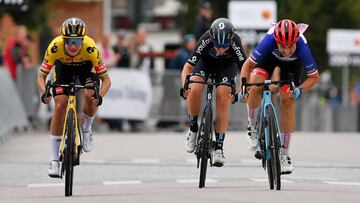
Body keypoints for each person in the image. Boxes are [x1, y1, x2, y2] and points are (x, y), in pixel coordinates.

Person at [239, 19, 320, 174]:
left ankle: (284, 155)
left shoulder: (302, 46)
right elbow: (247, 66)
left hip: (291, 67)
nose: (287, 50)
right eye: (283, 46)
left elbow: (315, 77)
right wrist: (244, 86)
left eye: (291, 46)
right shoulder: (269, 40)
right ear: (277, 41)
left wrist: (300, 90)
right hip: (268, 59)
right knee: (255, 83)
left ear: (296, 41)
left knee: (288, 101)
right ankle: (252, 125)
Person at [37, 17, 111, 178]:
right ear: (63, 39)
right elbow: (41, 77)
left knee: (91, 94)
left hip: (86, 69)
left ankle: (86, 129)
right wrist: (44, 92)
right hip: (62, 70)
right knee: (60, 105)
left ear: (82, 40)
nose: (72, 45)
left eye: (77, 42)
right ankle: (54, 160)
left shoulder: (90, 47)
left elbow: (106, 80)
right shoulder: (55, 46)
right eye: (69, 41)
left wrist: (101, 96)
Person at [180, 18, 247, 167]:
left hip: (226, 67)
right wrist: (185, 85)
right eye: (218, 46)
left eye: (225, 46)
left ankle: (219, 147)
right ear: (212, 38)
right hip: (205, 63)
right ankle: (192, 128)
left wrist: (242, 89)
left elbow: (245, 69)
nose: (221, 50)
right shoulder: (206, 38)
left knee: (223, 97)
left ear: (231, 39)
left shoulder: (236, 40)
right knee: (194, 87)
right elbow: (187, 67)